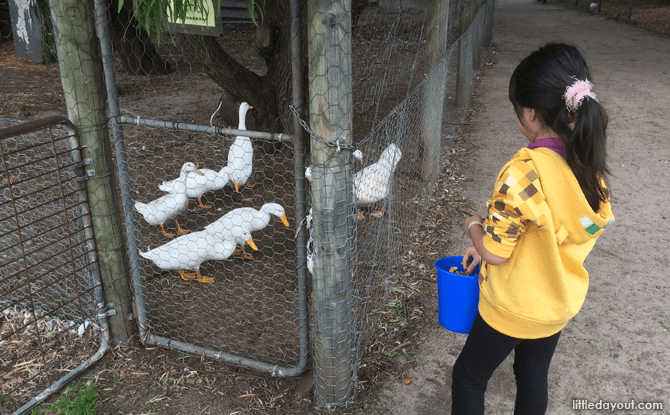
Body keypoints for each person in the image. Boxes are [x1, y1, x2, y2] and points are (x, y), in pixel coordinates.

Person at [451, 43, 615, 415]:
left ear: (529, 112)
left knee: (469, 377)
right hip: (555, 303)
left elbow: (495, 251)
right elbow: (566, 226)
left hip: (513, 306)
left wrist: (475, 227)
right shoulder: (590, 165)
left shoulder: (524, 171)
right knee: (532, 375)